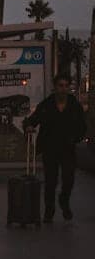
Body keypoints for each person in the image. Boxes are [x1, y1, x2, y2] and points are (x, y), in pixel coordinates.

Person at [24, 74, 88, 222]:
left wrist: (76, 138)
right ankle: (49, 210)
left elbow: (82, 126)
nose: (63, 89)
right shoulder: (47, 105)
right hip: (50, 148)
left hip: (68, 148)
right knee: (50, 181)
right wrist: (28, 126)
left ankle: (64, 201)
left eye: (66, 86)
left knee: (68, 179)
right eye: (60, 86)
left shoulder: (74, 105)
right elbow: (34, 119)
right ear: (55, 87)